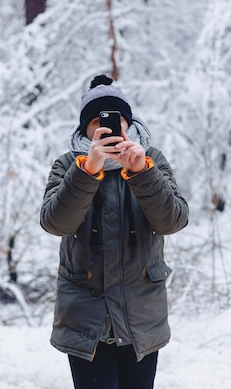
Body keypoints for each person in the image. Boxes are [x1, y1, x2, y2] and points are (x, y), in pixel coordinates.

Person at [40, 75, 189, 389]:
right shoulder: (69, 165)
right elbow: (56, 223)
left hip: (141, 316)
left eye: (115, 120)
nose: (106, 128)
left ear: (128, 124)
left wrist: (141, 172)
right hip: (85, 319)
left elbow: (173, 221)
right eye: (97, 121)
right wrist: (87, 170)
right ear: (85, 130)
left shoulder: (151, 161)